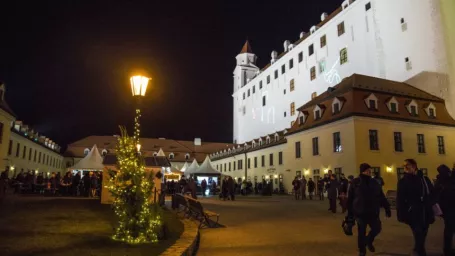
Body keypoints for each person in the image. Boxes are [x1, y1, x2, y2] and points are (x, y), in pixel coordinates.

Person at [347, 163, 391, 256]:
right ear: (362, 171)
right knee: (361, 232)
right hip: (360, 212)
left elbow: (381, 195)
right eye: (367, 170)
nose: (369, 171)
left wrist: (387, 207)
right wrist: (350, 214)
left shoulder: (374, 182)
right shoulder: (356, 182)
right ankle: (362, 251)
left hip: (373, 212)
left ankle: (369, 240)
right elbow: (350, 198)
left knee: (377, 228)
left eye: (370, 170)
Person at [397, 159, 435, 256]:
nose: (405, 167)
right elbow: (400, 199)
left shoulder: (424, 179)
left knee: (424, 232)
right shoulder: (403, 181)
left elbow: (431, 194)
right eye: (404, 165)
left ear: (414, 166)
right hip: (413, 212)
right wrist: (401, 214)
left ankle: (417, 249)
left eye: (407, 165)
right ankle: (420, 252)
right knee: (418, 233)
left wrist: (432, 208)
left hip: (425, 211)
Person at [434, 164, 455, 256]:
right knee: (449, 230)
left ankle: (447, 249)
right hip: (449, 209)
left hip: (447, 209)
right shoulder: (445, 181)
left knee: (449, 230)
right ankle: (447, 250)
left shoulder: (442, 180)